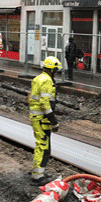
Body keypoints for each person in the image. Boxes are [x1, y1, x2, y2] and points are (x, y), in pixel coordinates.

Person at [28, 56, 62, 185]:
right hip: (42, 118)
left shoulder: (38, 78)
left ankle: (39, 172)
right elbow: (44, 103)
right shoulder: (47, 81)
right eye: (56, 70)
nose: (57, 72)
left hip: (37, 117)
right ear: (52, 69)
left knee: (42, 145)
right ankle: (37, 177)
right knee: (43, 147)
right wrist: (53, 121)